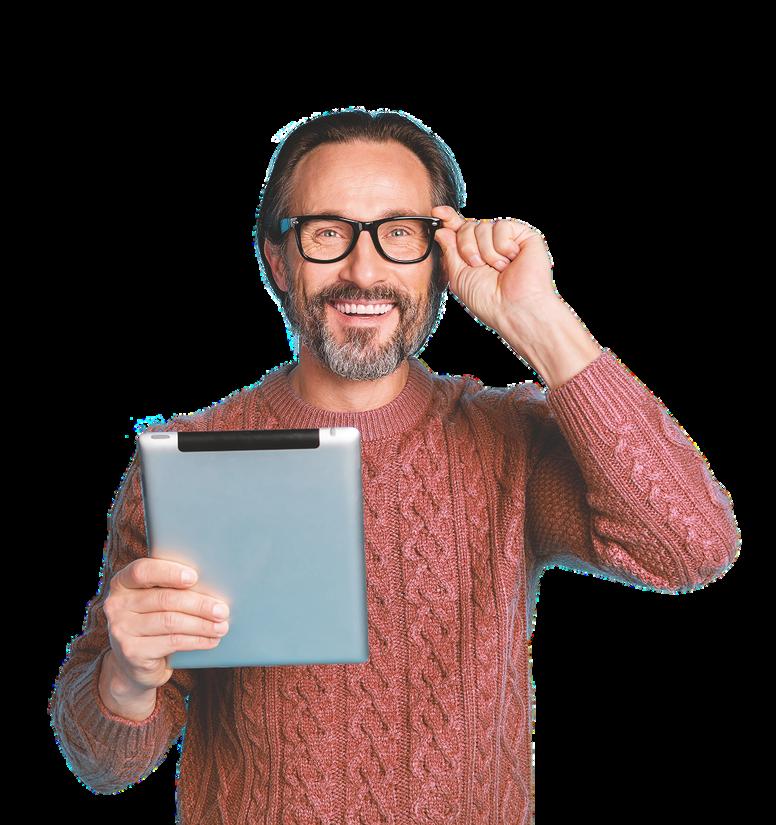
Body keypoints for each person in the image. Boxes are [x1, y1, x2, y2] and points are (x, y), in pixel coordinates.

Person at [48, 107, 740, 824]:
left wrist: (539, 319)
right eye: (327, 232)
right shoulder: (188, 461)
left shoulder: (511, 440)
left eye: (400, 233)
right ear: (277, 259)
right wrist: (125, 679)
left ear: (439, 259)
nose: (365, 270)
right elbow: (102, 764)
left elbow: (693, 546)